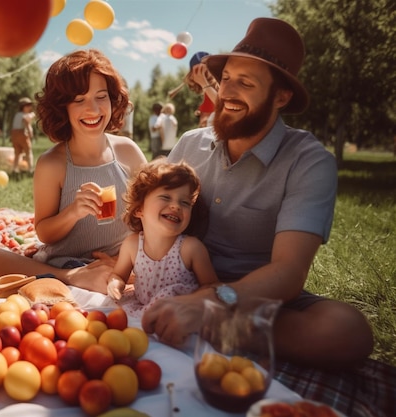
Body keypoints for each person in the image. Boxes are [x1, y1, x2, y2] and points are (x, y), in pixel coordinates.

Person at [141, 18, 374, 369]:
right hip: (177, 280)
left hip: (254, 299)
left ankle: (213, 326)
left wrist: (212, 305)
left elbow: (288, 272)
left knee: (348, 331)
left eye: (245, 83)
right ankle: (208, 324)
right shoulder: (190, 143)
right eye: (227, 79)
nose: (227, 94)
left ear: (281, 96)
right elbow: (148, 217)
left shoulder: (309, 161)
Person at [32, 49, 147, 271]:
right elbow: (44, 233)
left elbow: (150, 213)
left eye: (101, 97)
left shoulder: (128, 151)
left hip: (125, 263)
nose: (92, 109)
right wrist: (73, 212)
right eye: (78, 100)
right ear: (61, 107)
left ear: (113, 100)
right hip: (70, 267)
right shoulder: (52, 164)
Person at [106, 159, 218, 318]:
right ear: (139, 209)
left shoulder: (190, 248)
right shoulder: (132, 245)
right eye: (166, 197)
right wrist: (115, 284)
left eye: (185, 202)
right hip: (143, 308)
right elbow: (118, 275)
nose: (176, 206)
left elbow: (211, 286)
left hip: (179, 315)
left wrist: (193, 304)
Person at [186, 51, 218, 128]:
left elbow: (222, 103)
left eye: (202, 69)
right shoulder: (206, 89)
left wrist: (204, 83)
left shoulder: (218, 84)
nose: (200, 73)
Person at [10, 97, 35, 177]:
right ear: (23, 107)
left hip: (14, 134)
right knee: (28, 151)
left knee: (17, 153)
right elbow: (27, 123)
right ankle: (30, 170)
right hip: (22, 134)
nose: (30, 107)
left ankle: (15, 169)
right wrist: (30, 132)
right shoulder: (25, 115)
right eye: (27, 105)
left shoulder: (17, 114)